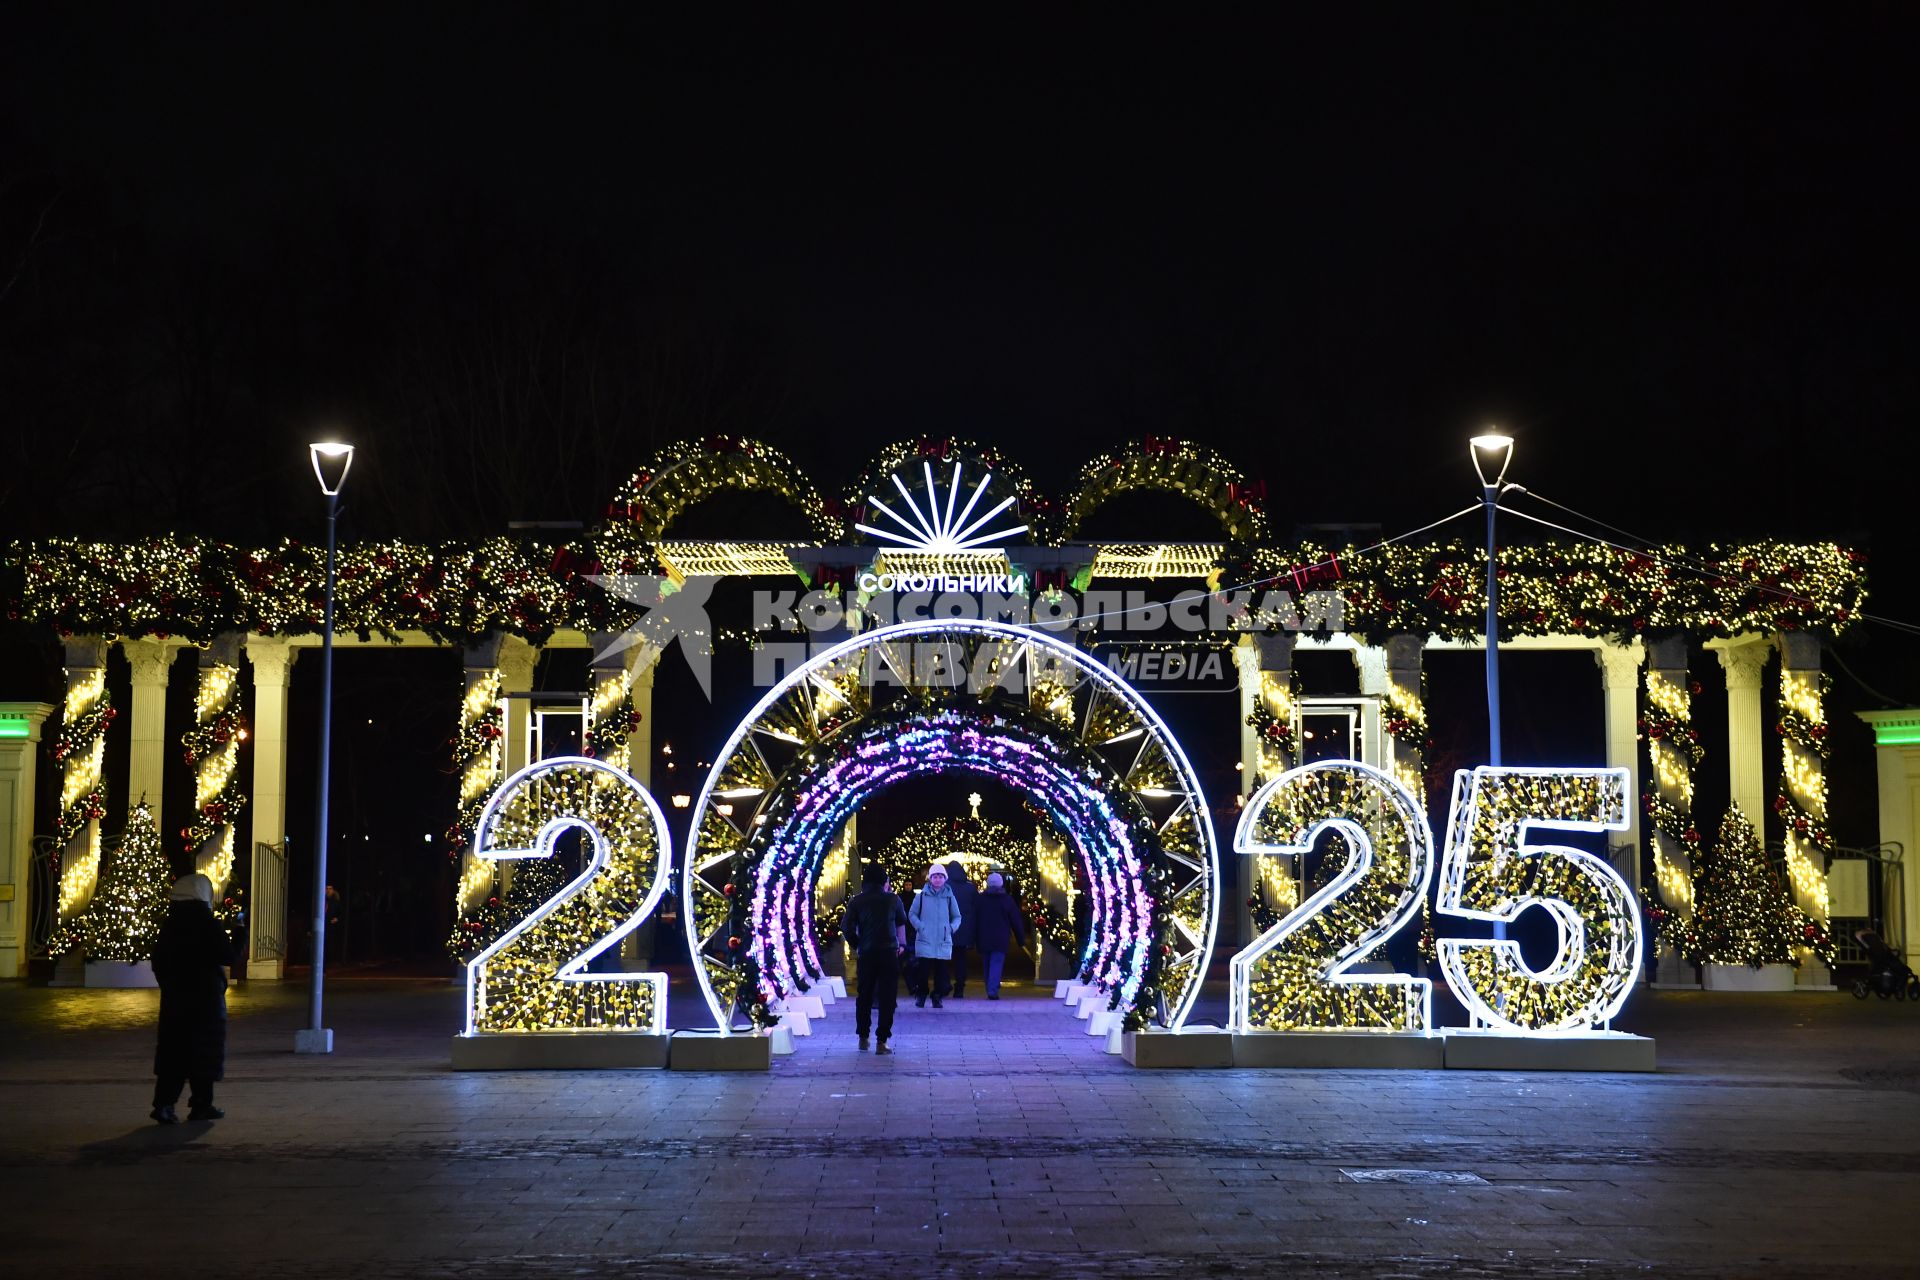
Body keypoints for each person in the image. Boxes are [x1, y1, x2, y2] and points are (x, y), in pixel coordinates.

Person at [149, 872, 234, 1123]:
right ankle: (201, 1105)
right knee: (204, 1052)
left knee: (174, 1052)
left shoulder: (170, 925)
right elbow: (227, 955)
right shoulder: (207, 923)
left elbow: (159, 962)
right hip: (206, 1001)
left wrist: (169, 985)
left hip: (176, 1001)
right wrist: (239, 936)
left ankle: (164, 1104)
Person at [840, 865, 909, 1054]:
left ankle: (863, 1037)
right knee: (887, 996)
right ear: (883, 881)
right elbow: (901, 921)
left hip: (867, 953)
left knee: (864, 995)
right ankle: (882, 1040)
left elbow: (846, 926)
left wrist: (858, 944)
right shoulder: (893, 899)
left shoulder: (856, 901)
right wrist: (900, 945)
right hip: (888, 952)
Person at [908, 864, 962, 1007]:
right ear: (930, 879)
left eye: (940, 877)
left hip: (942, 939)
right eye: (935, 877)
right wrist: (920, 926)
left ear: (945, 879)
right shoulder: (922, 896)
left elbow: (957, 916)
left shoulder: (949, 896)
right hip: (925, 939)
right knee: (923, 971)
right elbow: (912, 914)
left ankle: (937, 995)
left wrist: (951, 928)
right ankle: (921, 995)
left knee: (941, 973)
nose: (938, 879)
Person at [974, 872, 1028, 999]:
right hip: (1001, 938)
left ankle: (990, 987)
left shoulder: (980, 899)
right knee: (996, 963)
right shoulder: (1007, 900)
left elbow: (974, 919)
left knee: (987, 964)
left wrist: (972, 937)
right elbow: (1015, 920)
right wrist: (1021, 939)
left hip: (984, 936)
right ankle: (992, 990)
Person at [945, 859, 977, 998]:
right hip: (964, 928)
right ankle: (960, 988)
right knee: (961, 959)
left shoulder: (945, 887)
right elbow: (976, 908)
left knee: (944, 959)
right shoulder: (970, 887)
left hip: (947, 928)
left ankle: (944, 984)